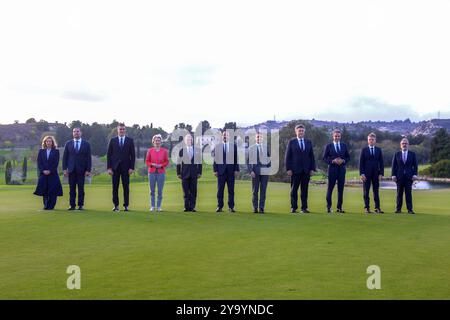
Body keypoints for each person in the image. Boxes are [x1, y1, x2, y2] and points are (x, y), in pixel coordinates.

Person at [285, 124, 316, 214]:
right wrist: (288, 169)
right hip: (295, 170)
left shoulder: (308, 142)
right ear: (296, 132)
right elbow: (288, 157)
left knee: (305, 190)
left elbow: (312, 157)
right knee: (294, 190)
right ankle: (293, 207)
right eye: (299, 131)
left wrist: (312, 169)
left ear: (304, 132)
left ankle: (304, 208)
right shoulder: (292, 142)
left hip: (306, 170)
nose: (301, 132)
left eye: (302, 131)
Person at [107, 123, 136, 212]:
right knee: (115, 187)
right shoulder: (112, 140)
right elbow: (109, 155)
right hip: (115, 168)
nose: (122, 130)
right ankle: (116, 205)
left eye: (123, 129)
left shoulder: (130, 140)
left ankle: (126, 205)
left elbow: (133, 155)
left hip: (126, 168)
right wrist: (109, 168)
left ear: (125, 130)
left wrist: (131, 167)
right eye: (120, 129)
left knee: (126, 187)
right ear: (117, 130)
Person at [62, 127, 92, 211]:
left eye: (77, 131)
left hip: (82, 170)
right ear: (72, 133)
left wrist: (88, 170)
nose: (76, 133)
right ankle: (72, 205)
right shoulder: (68, 143)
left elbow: (88, 158)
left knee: (81, 188)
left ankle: (80, 205)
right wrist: (64, 169)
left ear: (81, 133)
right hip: (71, 170)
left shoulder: (86, 144)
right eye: (74, 131)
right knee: (72, 188)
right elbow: (65, 157)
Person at [323, 129, 350, 213]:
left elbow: (348, 157)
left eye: (338, 136)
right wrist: (332, 161)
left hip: (341, 170)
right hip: (332, 170)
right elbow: (324, 158)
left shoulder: (344, 146)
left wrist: (343, 161)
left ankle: (339, 207)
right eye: (335, 136)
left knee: (340, 189)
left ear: (340, 136)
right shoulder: (329, 146)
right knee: (330, 189)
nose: (337, 137)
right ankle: (328, 207)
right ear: (333, 136)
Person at [213, 130, 240, 213]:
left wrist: (236, 169)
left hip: (231, 172)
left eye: (227, 135)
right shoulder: (218, 146)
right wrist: (215, 170)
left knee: (231, 190)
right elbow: (215, 160)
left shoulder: (234, 146)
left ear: (229, 137)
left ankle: (231, 207)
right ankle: (219, 206)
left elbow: (236, 159)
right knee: (220, 190)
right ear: (222, 137)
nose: (225, 136)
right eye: (224, 135)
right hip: (221, 172)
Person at [34, 136, 63, 210]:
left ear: (52, 142)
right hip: (43, 174)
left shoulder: (56, 151)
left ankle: (51, 206)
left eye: (50, 141)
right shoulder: (41, 151)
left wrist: (50, 170)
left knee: (53, 190)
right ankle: (46, 205)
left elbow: (56, 163)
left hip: (53, 174)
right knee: (45, 190)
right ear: (45, 142)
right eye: (47, 141)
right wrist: (43, 171)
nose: (48, 142)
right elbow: (39, 162)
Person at [359, 133, 385, 214]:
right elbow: (361, 163)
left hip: (376, 174)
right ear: (368, 140)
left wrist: (381, 173)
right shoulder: (364, 150)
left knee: (376, 191)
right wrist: (362, 174)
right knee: (366, 192)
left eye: (372, 139)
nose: (371, 141)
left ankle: (377, 208)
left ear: (375, 140)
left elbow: (381, 163)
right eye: (370, 139)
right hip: (366, 175)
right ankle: (367, 208)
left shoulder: (378, 150)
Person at [391, 138, 418, 214]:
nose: (404, 145)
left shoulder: (412, 154)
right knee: (399, 194)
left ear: (408, 145)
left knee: (408, 194)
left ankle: (410, 210)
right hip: (399, 177)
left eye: (406, 143)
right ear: (400, 145)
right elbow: (394, 166)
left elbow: (415, 166)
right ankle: (398, 209)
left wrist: (415, 174)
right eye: (403, 143)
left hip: (409, 177)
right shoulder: (397, 154)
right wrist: (393, 175)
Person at [176, 133, 202, 212]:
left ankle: (193, 207)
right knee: (186, 192)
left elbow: (199, 163)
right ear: (185, 141)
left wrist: (199, 172)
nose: (189, 141)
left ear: (192, 140)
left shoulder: (197, 150)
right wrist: (178, 173)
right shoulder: (181, 151)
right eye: (187, 139)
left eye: (190, 139)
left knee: (193, 191)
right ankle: (186, 207)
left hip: (194, 174)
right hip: (184, 174)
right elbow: (178, 163)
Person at [247, 132, 271, 213]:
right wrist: (251, 171)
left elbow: (269, 159)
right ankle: (255, 207)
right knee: (255, 191)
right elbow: (248, 161)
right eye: (257, 137)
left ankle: (261, 208)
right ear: (255, 138)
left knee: (263, 191)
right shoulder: (251, 148)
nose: (259, 138)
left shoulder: (266, 147)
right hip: (255, 173)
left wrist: (268, 169)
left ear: (262, 138)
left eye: (260, 137)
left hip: (265, 172)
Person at [146, 134, 169, 212]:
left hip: (161, 172)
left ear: (161, 141)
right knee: (152, 191)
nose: (157, 142)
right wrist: (152, 164)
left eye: (159, 140)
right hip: (151, 172)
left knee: (160, 191)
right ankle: (152, 206)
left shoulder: (164, 151)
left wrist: (161, 165)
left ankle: (159, 206)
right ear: (153, 141)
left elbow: (167, 162)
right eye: (156, 140)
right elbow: (147, 161)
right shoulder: (150, 150)